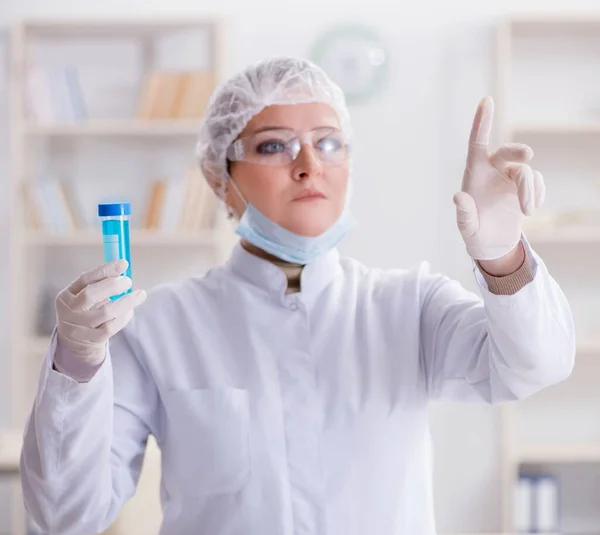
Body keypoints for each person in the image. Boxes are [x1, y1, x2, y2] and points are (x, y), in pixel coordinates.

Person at [20, 57, 575, 535]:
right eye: (273, 145)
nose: (309, 165)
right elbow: (66, 515)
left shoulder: (408, 306)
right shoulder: (161, 324)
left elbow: (533, 366)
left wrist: (503, 257)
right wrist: (76, 363)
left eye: (328, 142)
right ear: (219, 178)